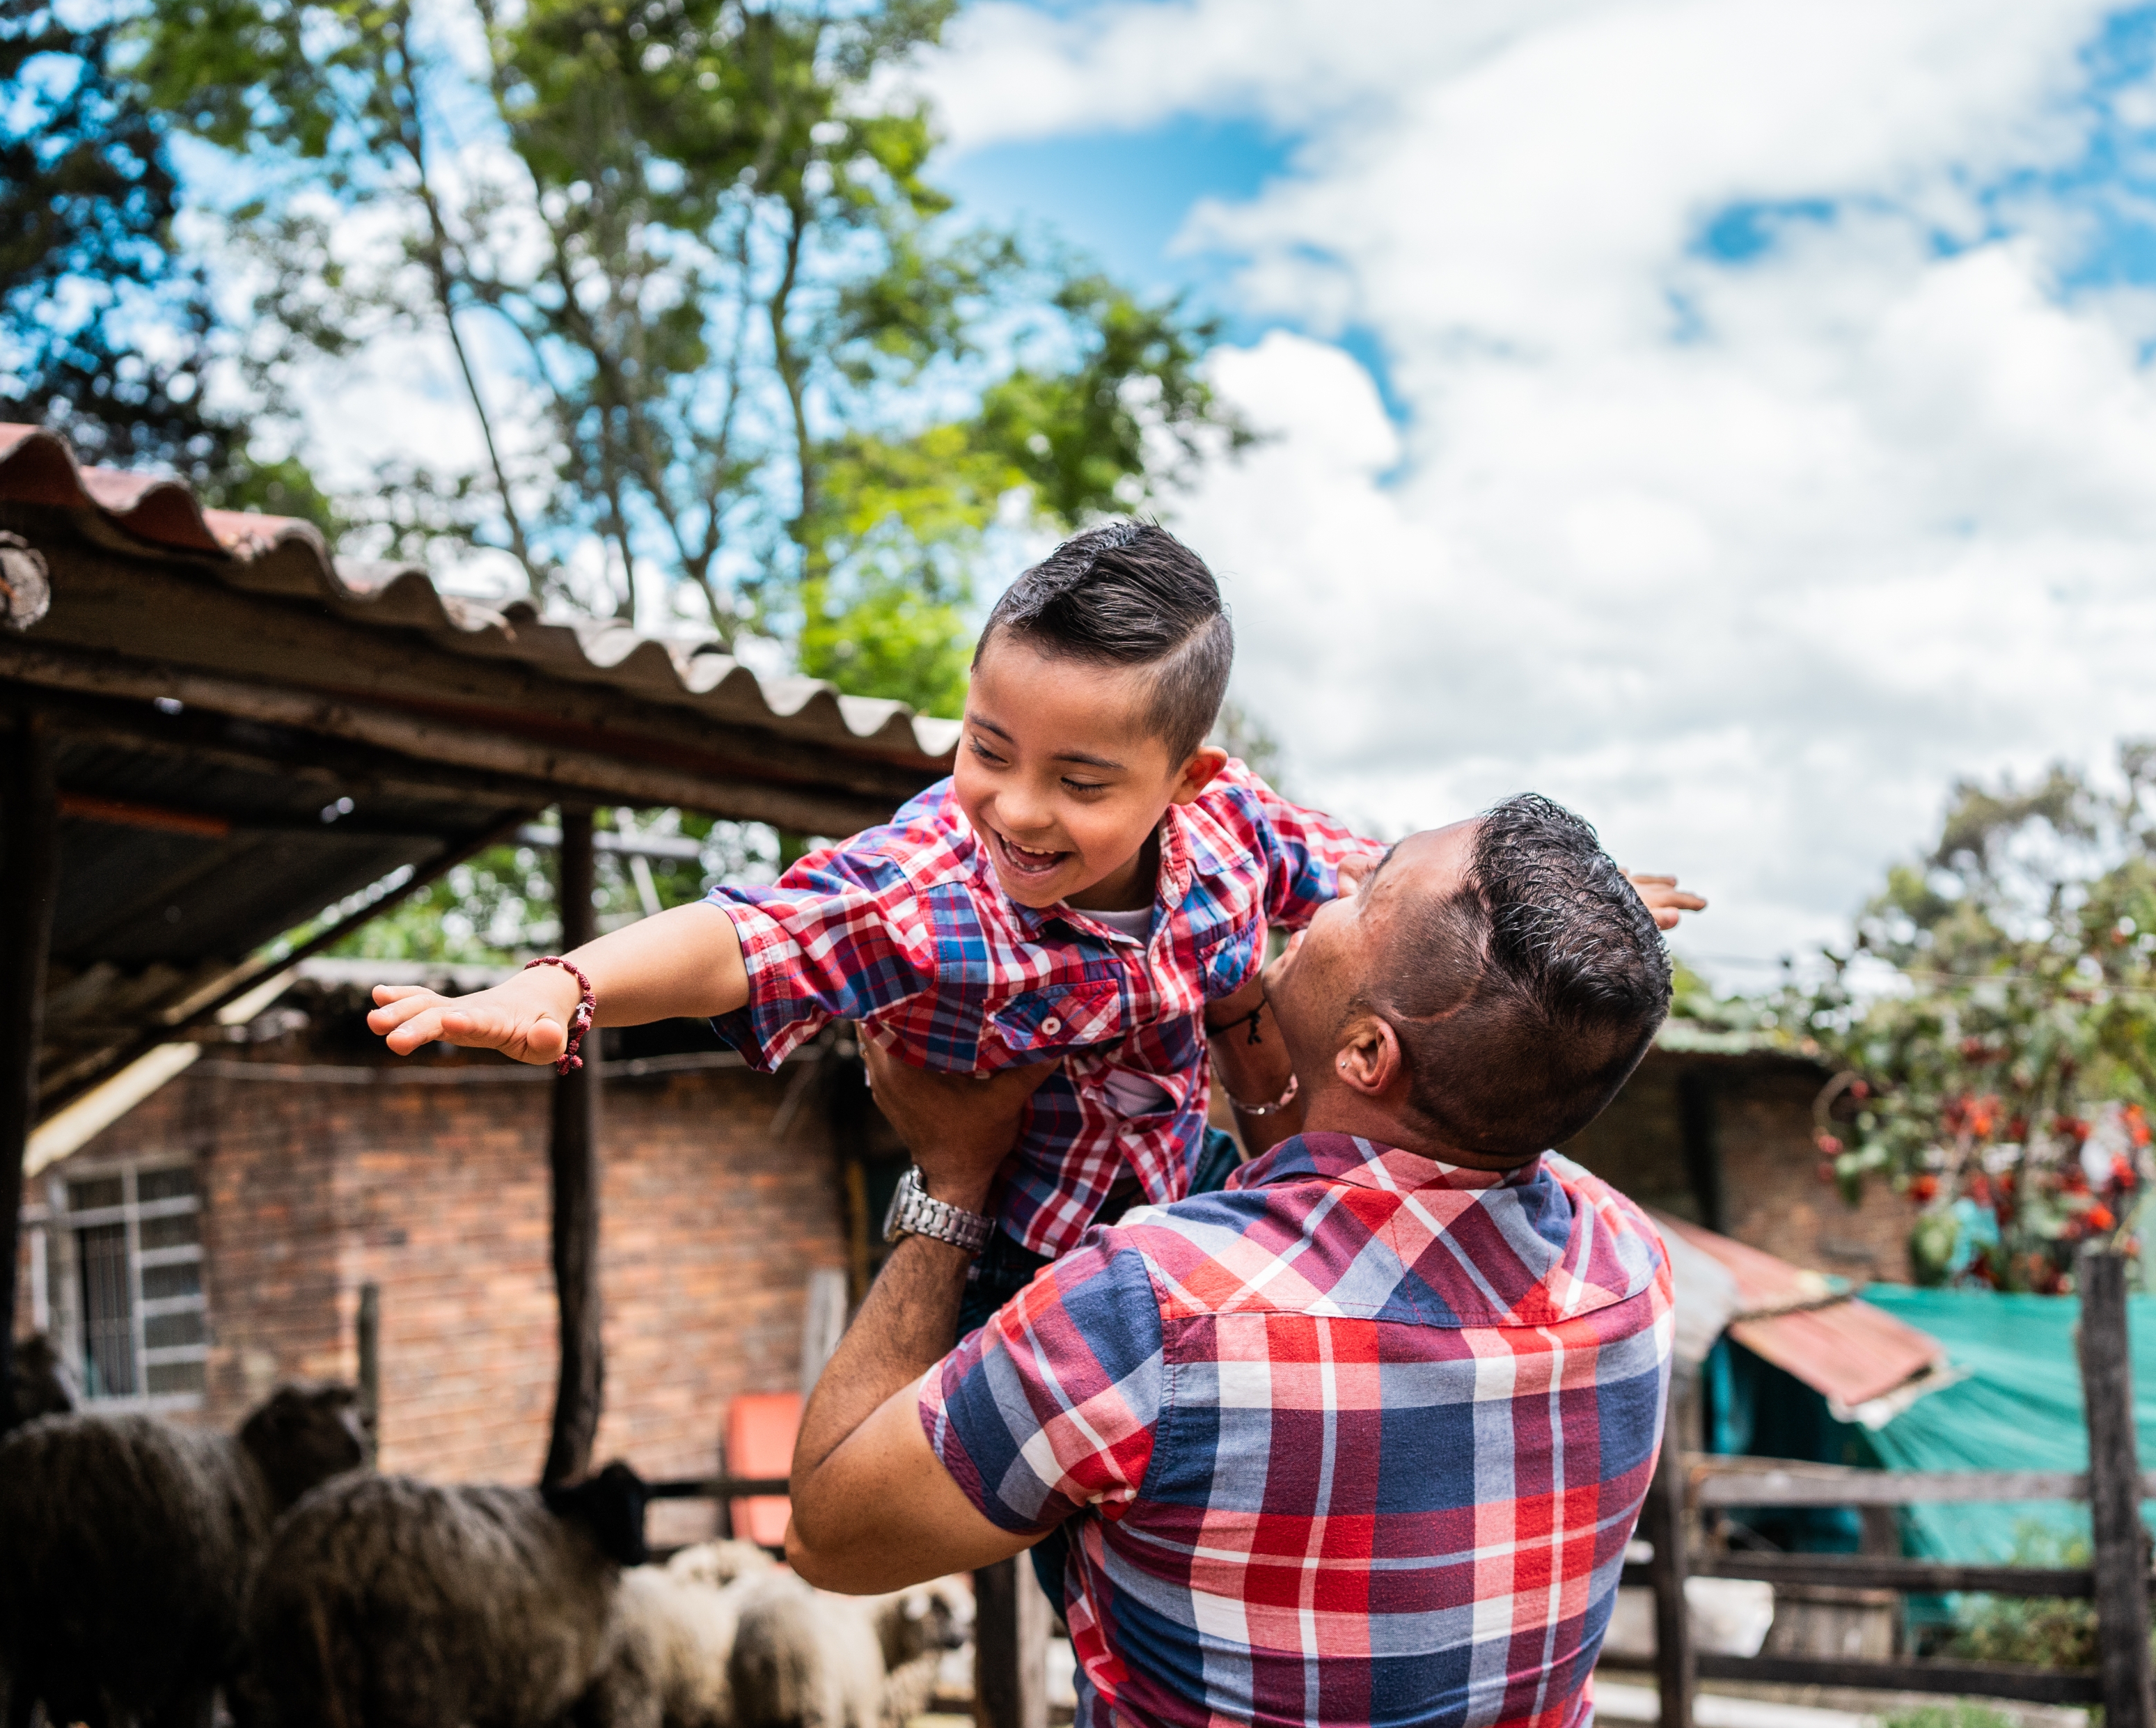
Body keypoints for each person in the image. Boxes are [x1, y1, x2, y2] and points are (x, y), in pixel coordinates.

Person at [368, 522, 1700, 1330]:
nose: (1013, 808)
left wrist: (1571, 917)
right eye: (985, 746)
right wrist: (565, 983)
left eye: (1077, 782)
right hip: (1024, 1259)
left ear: (1187, 779)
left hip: (1193, 1199)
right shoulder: (929, 889)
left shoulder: (1237, 837)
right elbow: (748, 934)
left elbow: (1400, 891)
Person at [787, 794, 1679, 1728]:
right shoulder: (1625, 1262)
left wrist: (951, 1182)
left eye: (1368, 890)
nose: (1328, 893)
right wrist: (1250, 1032)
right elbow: (1338, 1228)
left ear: (1366, 1056)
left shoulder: (1151, 1314)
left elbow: (829, 1531)